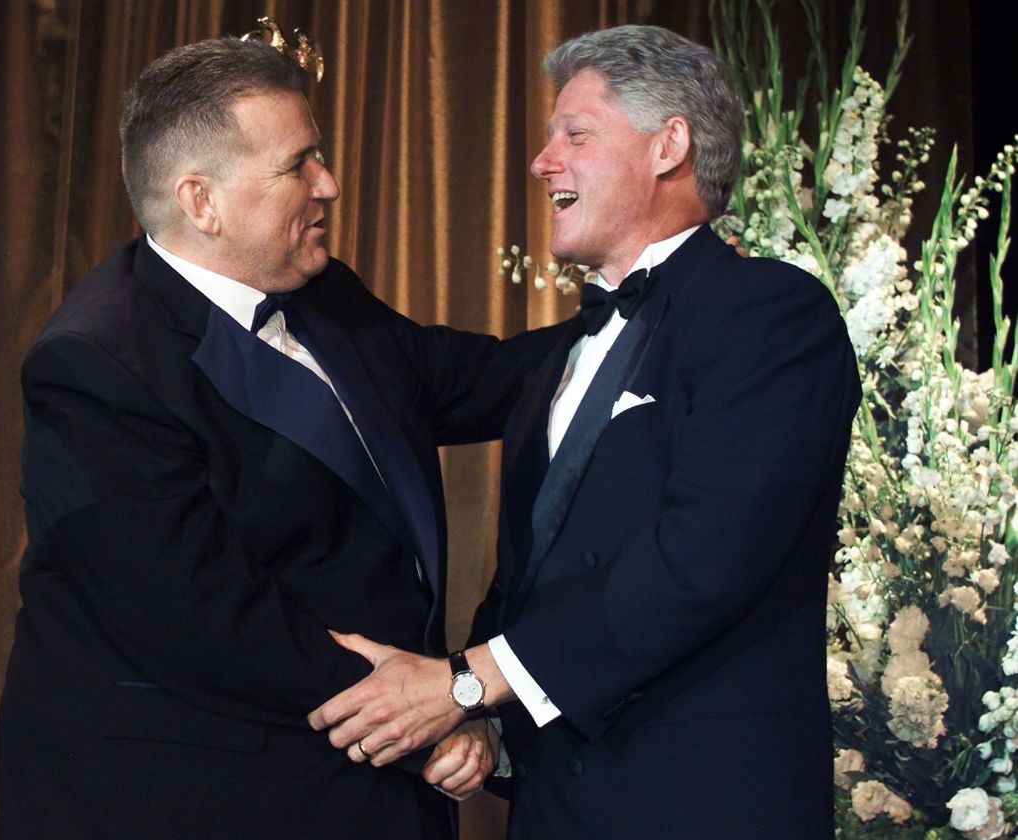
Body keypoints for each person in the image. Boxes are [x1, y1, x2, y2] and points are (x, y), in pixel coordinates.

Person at [0, 35, 563, 840]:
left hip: (357, 770)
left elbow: (474, 380)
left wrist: (649, 316)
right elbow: (199, 617)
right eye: (299, 164)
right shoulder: (92, 367)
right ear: (202, 202)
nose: (328, 183)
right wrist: (430, 709)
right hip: (200, 793)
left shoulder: (320, 287)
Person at [309, 24, 861, 839]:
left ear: (669, 145)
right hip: (560, 807)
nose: (542, 161)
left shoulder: (771, 315)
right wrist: (487, 728)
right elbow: (530, 577)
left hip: (702, 807)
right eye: (545, 138)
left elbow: (702, 561)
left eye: (575, 134)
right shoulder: (562, 357)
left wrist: (464, 683)